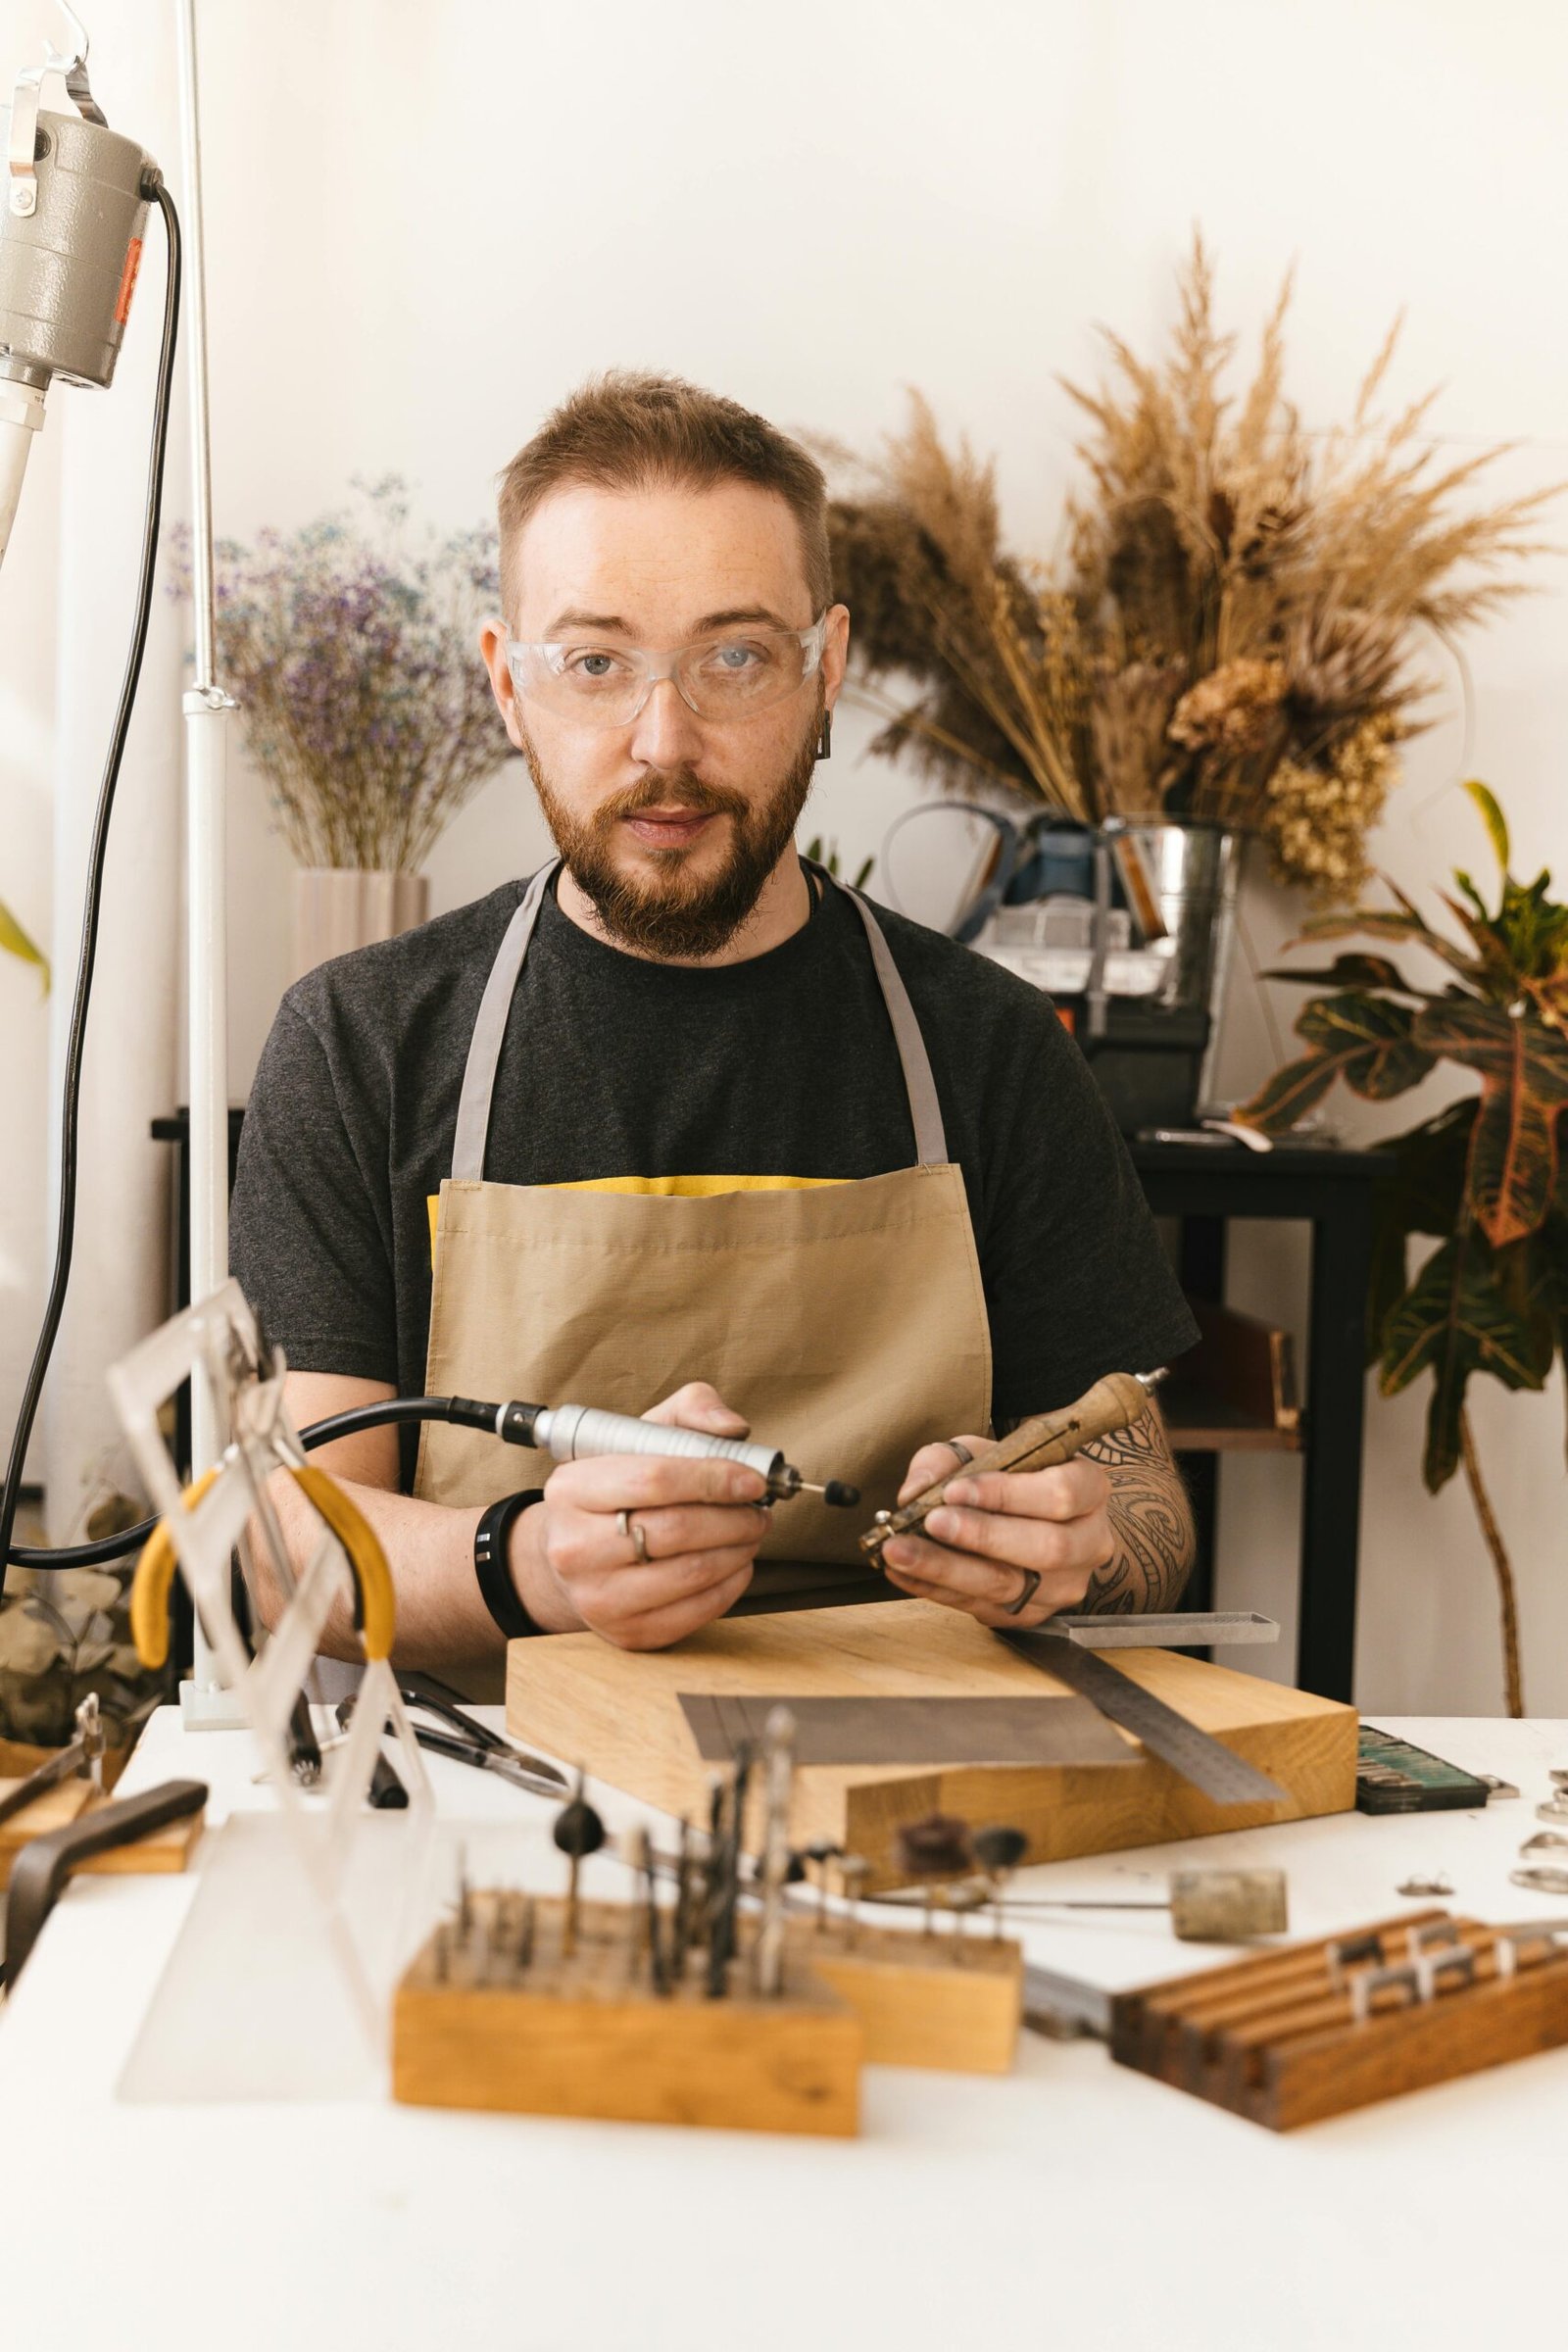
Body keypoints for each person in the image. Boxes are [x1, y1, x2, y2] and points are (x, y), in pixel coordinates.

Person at [231, 370, 1197, 1675]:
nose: (664, 741)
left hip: (905, 1756)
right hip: (501, 1759)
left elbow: (1145, 1503)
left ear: (826, 670)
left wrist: (1079, 1541)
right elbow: (288, 1550)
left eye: (734, 658)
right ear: (508, 684)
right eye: (595, 664)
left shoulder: (995, 1047)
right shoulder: (359, 1046)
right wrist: (531, 1563)